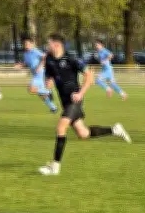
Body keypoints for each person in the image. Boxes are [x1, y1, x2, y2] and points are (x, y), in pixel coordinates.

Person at [37, 34, 131, 176]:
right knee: (83, 133)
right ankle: (114, 130)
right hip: (65, 102)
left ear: (57, 45)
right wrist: (48, 82)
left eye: (49, 43)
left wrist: (80, 93)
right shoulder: (49, 59)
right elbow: (49, 76)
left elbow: (89, 76)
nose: (47, 46)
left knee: (61, 127)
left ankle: (54, 167)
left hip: (75, 100)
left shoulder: (71, 58)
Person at [17, 34, 58, 113]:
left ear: (31, 44)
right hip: (35, 74)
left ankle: (48, 92)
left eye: (28, 43)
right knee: (41, 94)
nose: (26, 45)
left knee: (31, 89)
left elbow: (44, 57)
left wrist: (40, 66)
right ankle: (53, 108)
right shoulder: (25, 54)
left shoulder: (35, 51)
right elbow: (27, 63)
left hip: (40, 74)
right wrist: (21, 65)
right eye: (25, 44)